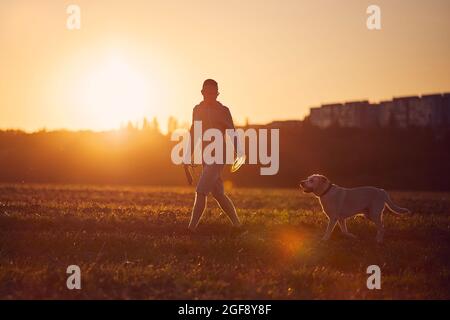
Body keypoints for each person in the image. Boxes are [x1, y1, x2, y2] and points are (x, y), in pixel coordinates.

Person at [187, 79, 242, 231]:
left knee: (201, 190)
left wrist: (239, 151)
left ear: (217, 94)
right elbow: (194, 132)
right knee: (218, 194)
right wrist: (188, 153)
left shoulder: (224, 110)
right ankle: (238, 225)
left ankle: (191, 229)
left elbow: (232, 131)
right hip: (206, 155)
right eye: (207, 92)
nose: (210, 95)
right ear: (202, 93)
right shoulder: (197, 109)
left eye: (213, 93)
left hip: (220, 155)